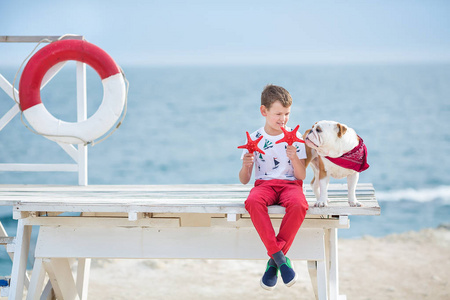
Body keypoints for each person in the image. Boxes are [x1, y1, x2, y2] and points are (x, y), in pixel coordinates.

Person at [239, 84, 308, 291]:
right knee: (252, 201)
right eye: (278, 113)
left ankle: (274, 263)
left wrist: (294, 157)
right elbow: (244, 180)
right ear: (264, 111)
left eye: (287, 114)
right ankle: (280, 258)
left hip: (290, 185)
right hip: (264, 184)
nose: (283, 119)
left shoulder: (296, 139)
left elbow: (302, 175)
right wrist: (246, 165)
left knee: (299, 205)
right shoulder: (255, 138)